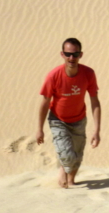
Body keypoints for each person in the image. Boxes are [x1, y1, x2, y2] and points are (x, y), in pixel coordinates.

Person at [36, 38, 101, 188]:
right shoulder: (53, 75)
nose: (72, 58)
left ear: (81, 55)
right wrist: (39, 129)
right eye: (68, 54)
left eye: (75, 54)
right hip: (58, 120)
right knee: (67, 156)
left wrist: (96, 131)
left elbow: (95, 102)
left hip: (79, 119)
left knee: (77, 157)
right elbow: (45, 102)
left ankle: (70, 183)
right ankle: (62, 171)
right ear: (62, 54)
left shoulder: (88, 73)